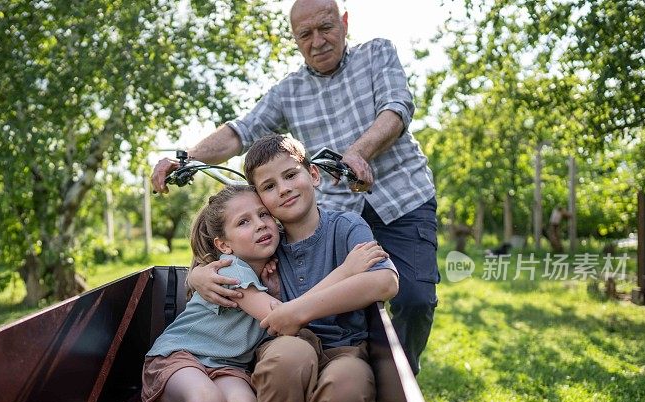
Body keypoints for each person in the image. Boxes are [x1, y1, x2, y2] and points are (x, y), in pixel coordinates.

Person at [150, 0, 439, 375]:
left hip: (403, 200)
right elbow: (242, 131)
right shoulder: (288, 91)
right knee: (322, 302)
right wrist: (187, 157)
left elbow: (396, 108)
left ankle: (400, 382)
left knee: (415, 298)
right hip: (334, 214)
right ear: (295, 39)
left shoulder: (377, 52)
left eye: (326, 28)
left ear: (345, 22)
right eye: (305, 34)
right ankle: (329, 366)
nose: (318, 41)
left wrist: (359, 152)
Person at [133, 183, 389, 402]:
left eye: (263, 214)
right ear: (224, 245)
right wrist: (345, 271)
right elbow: (283, 317)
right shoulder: (230, 272)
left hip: (226, 369)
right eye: (244, 222)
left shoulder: (267, 272)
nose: (259, 224)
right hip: (180, 358)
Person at [208, 134, 398, 402]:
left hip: (345, 349)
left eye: (290, 175)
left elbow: (385, 281)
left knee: (347, 384)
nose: (283, 189)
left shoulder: (346, 226)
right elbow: (218, 257)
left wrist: (296, 310)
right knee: (287, 357)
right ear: (261, 200)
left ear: (312, 174)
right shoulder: (265, 241)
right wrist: (198, 276)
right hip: (286, 344)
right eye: (268, 187)